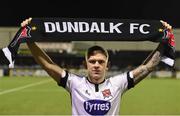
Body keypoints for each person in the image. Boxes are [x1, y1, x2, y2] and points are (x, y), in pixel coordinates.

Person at [21, 18, 173, 115]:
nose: (96, 65)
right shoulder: (74, 83)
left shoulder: (118, 84)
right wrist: (29, 39)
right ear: (85, 64)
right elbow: (48, 65)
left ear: (107, 66)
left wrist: (164, 41)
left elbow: (147, 67)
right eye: (92, 61)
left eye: (101, 62)